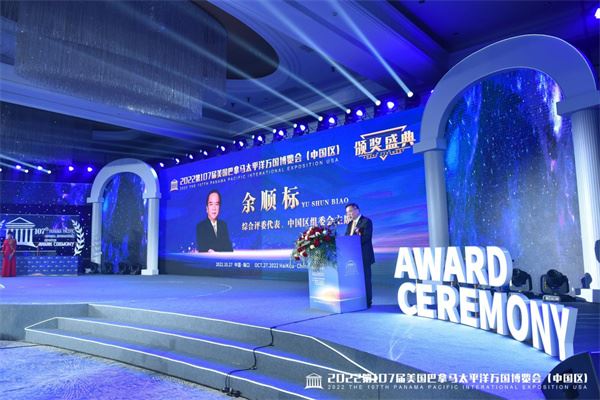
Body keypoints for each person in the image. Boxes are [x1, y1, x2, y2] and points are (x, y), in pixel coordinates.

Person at [345, 203, 375, 307]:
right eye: (347, 213)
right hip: (353, 257)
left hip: (364, 255)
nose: (349, 214)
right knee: (355, 280)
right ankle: (356, 300)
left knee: (365, 279)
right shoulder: (350, 224)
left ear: (357, 210)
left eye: (350, 211)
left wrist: (353, 243)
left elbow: (367, 237)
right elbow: (346, 237)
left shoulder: (366, 221)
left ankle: (367, 302)